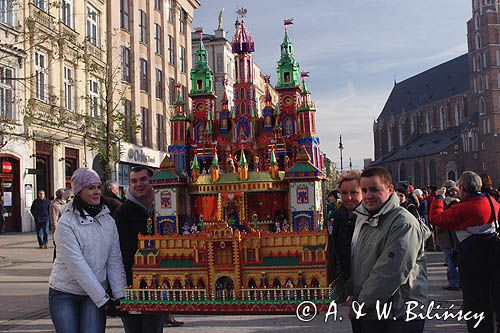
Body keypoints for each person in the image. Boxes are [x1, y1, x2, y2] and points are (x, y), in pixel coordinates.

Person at [348, 167, 428, 333]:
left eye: (375, 189)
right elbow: (362, 264)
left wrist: (361, 303)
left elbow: (390, 272)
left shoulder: (403, 223)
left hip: (399, 313)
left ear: (390, 189)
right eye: (364, 190)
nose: (368, 195)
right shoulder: (365, 219)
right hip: (375, 311)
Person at [48, 168, 126, 333]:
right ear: (79, 192)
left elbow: (114, 260)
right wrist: (104, 301)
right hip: (64, 292)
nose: (97, 192)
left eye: (98, 187)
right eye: (91, 188)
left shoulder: (108, 221)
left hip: (95, 293)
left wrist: (120, 296)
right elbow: (77, 265)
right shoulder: (66, 223)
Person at [114, 166, 183, 332]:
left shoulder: (166, 209)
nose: (138, 184)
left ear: (153, 182)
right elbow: (116, 252)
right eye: (133, 181)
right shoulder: (122, 212)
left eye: (143, 179)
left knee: (153, 328)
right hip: (131, 283)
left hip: (159, 282)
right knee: (133, 329)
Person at [430, 171, 499, 333]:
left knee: (474, 303)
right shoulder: (492, 202)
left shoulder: (463, 208)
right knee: (489, 299)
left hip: (471, 260)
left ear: (462, 187)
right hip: (492, 256)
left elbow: (436, 218)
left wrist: (439, 198)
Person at [327, 170, 362, 289]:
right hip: (347, 280)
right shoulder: (338, 216)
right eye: (344, 193)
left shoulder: (370, 217)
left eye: (354, 192)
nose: (349, 197)